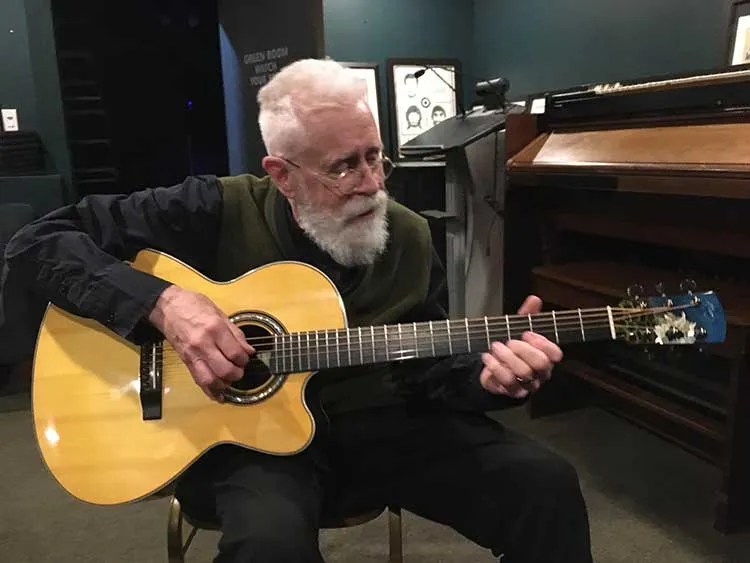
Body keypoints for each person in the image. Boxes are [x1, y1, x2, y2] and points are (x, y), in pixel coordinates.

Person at [1, 58, 592, 563]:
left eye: (375, 157)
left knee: (545, 484)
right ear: (281, 174)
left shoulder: (409, 236)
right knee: (268, 546)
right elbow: (35, 244)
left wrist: (492, 381)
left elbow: (431, 375)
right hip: (249, 440)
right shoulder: (212, 209)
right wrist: (163, 303)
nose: (370, 185)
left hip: (385, 425)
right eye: (343, 167)